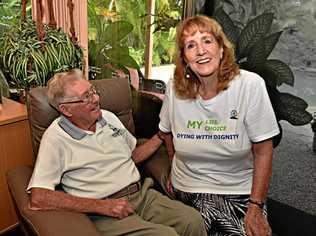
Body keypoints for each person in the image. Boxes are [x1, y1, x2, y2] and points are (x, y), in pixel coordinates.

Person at [27, 69, 207, 236]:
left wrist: (160, 135)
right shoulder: (55, 138)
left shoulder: (108, 117)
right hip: (104, 213)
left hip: (141, 196)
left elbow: (131, 155)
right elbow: (38, 197)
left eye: (93, 91)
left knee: (194, 221)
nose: (96, 99)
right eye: (86, 97)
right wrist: (102, 206)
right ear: (65, 109)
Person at [158, 16, 280, 236]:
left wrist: (255, 206)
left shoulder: (250, 85)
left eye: (207, 41)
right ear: (184, 58)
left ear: (222, 49)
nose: (201, 51)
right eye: (190, 45)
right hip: (188, 187)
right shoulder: (174, 89)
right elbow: (166, 132)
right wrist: (174, 169)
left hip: (239, 190)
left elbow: (263, 151)